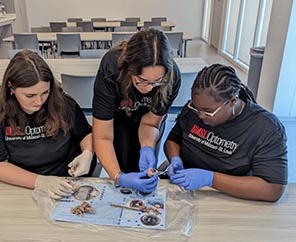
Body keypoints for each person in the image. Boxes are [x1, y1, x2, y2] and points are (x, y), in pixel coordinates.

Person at [0, 50, 96, 199]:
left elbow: (85, 133)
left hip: (68, 180)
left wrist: (87, 152)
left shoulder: (63, 103)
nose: (39, 101)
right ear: (11, 87)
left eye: (45, 92)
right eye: (30, 96)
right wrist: (39, 181)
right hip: (23, 182)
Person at [164, 63, 288, 202]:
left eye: (208, 111)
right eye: (196, 108)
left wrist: (211, 179)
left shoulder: (265, 128)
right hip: (184, 189)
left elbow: (272, 189)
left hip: (228, 196)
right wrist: (175, 159)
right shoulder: (194, 109)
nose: (200, 115)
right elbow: (173, 140)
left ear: (232, 101)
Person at [92, 28, 181, 193]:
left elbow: (150, 123)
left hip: (148, 122)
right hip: (119, 119)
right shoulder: (112, 67)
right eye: (141, 80)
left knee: (144, 166)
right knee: (122, 161)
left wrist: (147, 147)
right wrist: (118, 176)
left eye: (156, 82)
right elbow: (102, 136)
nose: (148, 88)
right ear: (129, 68)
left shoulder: (172, 78)